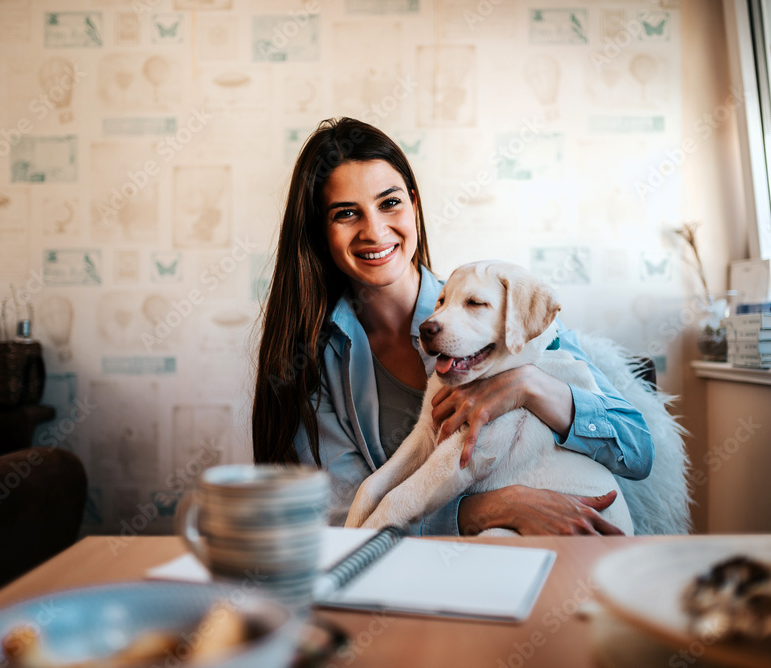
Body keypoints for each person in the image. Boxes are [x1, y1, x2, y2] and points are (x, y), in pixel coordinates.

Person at [252, 117, 654, 537]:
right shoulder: (311, 359)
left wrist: (530, 386)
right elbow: (341, 516)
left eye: (389, 203)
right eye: (347, 213)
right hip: (402, 572)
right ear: (321, 231)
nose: (374, 231)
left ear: (413, 203)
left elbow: (637, 450)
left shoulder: (504, 313)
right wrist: (489, 509)